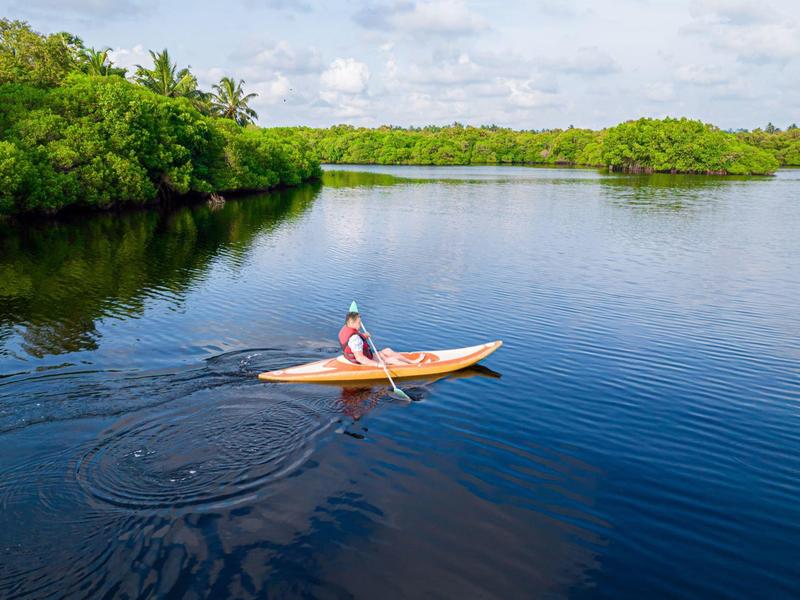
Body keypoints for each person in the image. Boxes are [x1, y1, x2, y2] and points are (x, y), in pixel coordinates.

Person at [338, 311, 424, 367]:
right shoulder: (355, 338)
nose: (360, 324)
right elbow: (360, 358)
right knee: (390, 359)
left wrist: (364, 336)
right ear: (351, 322)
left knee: (387, 351)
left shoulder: (345, 328)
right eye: (359, 322)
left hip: (360, 356)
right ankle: (412, 368)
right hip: (361, 362)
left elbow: (352, 341)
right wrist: (378, 364)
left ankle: (412, 362)